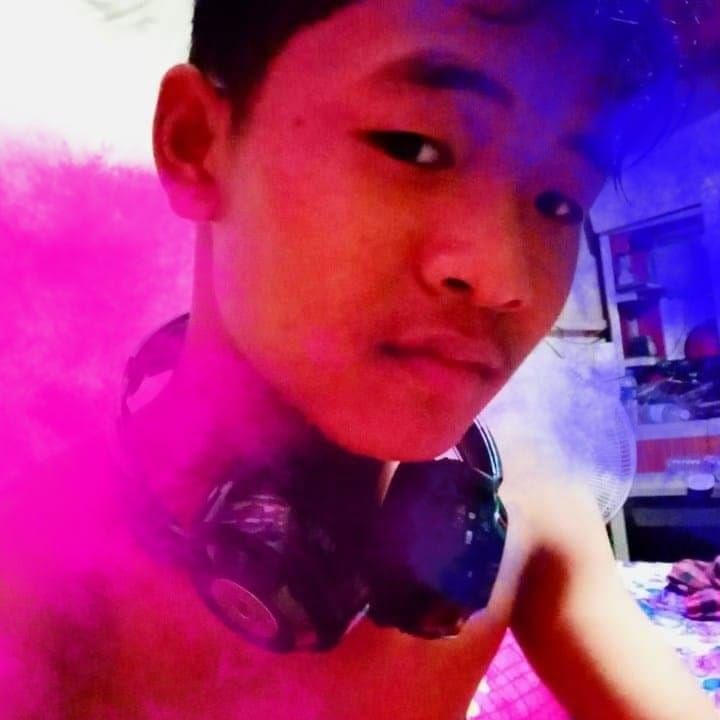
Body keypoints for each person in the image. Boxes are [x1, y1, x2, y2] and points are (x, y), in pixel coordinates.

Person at [2, 1, 718, 718]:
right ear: (194, 143)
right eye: (414, 147)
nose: (507, 280)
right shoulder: (29, 572)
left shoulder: (533, 511)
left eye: (560, 202)